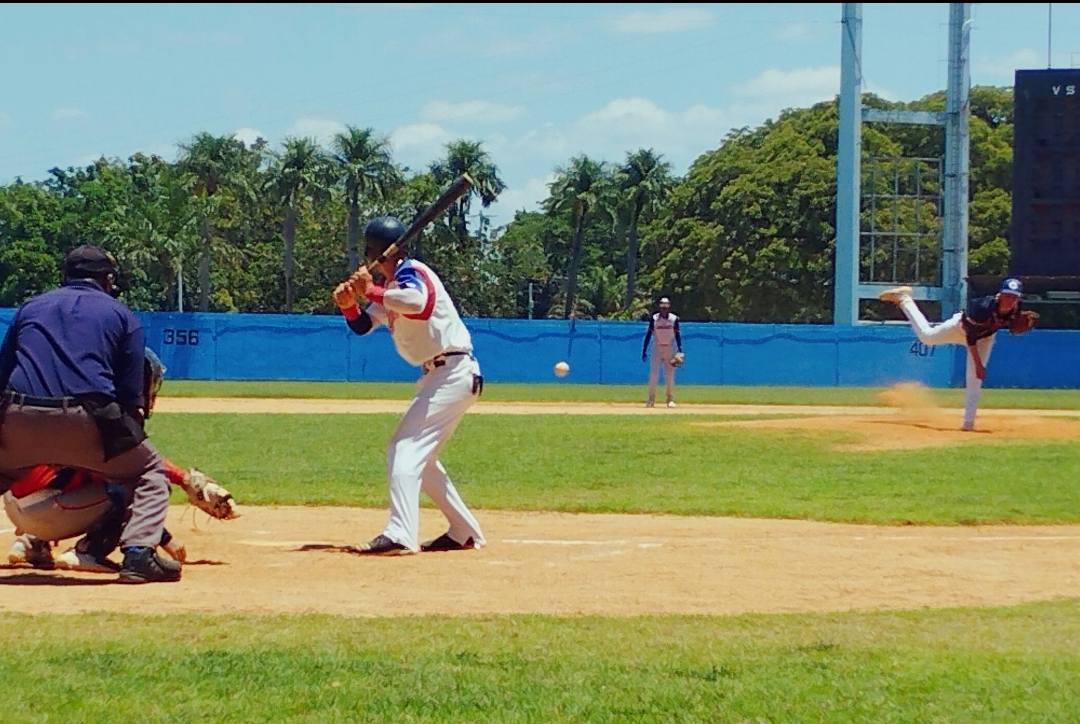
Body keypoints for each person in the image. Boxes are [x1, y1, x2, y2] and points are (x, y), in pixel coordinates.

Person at [0, 245, 179, 582]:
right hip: (88, 418)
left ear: (65, 276)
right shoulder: (122, 315)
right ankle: (138, 554)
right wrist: (122, 441)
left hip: (18, 414)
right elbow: (129, 396)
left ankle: (33, 539)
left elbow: (2, 373)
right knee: (150, 472)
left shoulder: (30, 308)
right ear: (107, 279)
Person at [331, 217, 486, 555]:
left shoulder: (412, 273)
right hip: (440, 374)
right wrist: (348, 305)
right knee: (422, 458)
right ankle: (463, 531)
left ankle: (401, 533)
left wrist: (369, 290)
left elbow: (419, 305)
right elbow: (362, 325)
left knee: (402, 447)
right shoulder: (391, 285)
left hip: (453, 369)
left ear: (375, 251)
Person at [879, 278, 1034, 431]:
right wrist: (979, 365)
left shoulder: (1016, 308)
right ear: (999, 295)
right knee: (927, 337)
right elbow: (970, 338)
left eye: (1014, 297)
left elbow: (1004, 324)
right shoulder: (982, 308)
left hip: (985, 338)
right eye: (1007, 295)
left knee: (974, 379)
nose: (1010, 300)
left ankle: (968, 424)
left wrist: (1012, 326)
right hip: (959, 329)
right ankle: (904, 299)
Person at [642, 297, 683, 408]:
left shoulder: (674, 319)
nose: (664, 309)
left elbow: (677, 334)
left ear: (669, 307)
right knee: (653, 374)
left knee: (669, 375)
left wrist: (680, 349)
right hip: (657, 347)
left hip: (669, 347)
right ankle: (651, 399)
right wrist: (644, 349)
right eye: (662, 307)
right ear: (659, 307)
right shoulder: (654, 318)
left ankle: (669, 399)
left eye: (666, 307)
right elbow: (648, 334)